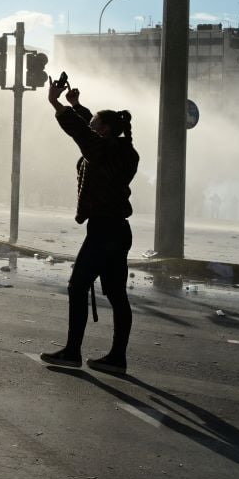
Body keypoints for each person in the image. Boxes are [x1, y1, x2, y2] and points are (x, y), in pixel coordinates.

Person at [41, 79, 139, 374]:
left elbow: (83, 133)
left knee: (77, 286)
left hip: (104, 231)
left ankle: (72, 352)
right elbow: (90, 128)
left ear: (105, 130)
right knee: (117, 295)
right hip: (118, 231)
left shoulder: (102, 151)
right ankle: (117, 358)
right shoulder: (123, 151)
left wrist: (56, 104)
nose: (92, 123)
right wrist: (76, 106)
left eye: (97, 122)